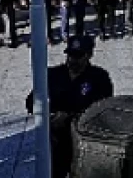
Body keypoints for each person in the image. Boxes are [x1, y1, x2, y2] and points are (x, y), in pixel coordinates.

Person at [31, 36, 114, 178]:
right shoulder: (53, 75)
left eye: (78, 56)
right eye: (70, 55)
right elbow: (32, 101)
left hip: (84, 140)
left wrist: (70, 116)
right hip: (56, 141)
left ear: (89, 55)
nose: (72, 60)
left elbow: (102, 108)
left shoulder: (99, 78)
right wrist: (48, 113)